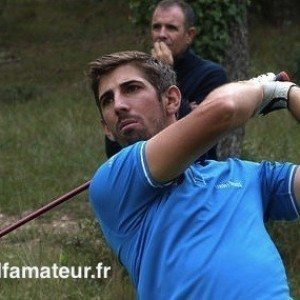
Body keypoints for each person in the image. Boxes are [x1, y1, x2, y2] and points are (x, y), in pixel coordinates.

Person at [88, 51, 300, 299]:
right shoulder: (113, 181)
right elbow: (224, 108)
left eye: (131, 88)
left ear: (171, 99)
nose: (119, 105)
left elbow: (223, 108)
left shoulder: (245, 175)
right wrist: (266, 90)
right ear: (106, 128)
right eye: (107, 101)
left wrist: (290, 92)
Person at [105, 0, 228, 161]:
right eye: (156, 27)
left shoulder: (211, 75)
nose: (161, 34)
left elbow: (199, 133)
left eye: (171, 28)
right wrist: (188, 110)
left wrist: (164, 72)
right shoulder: (136, 77)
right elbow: (115, 143)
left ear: (189, 35)